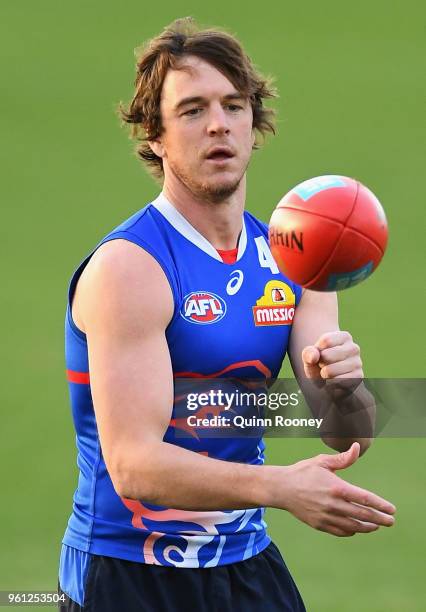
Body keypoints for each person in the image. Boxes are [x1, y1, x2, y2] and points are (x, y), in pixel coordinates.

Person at [58, 18, 396, 612]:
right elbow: (135, 465)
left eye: (233, 105)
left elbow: (346, 434)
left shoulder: (296, 254)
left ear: (253, 124)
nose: (218, 123)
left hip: (244, 566)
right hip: (127, 573)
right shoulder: (131, 268)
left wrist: (345, 390)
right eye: (191, 110)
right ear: (156, 136)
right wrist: (282, 488)